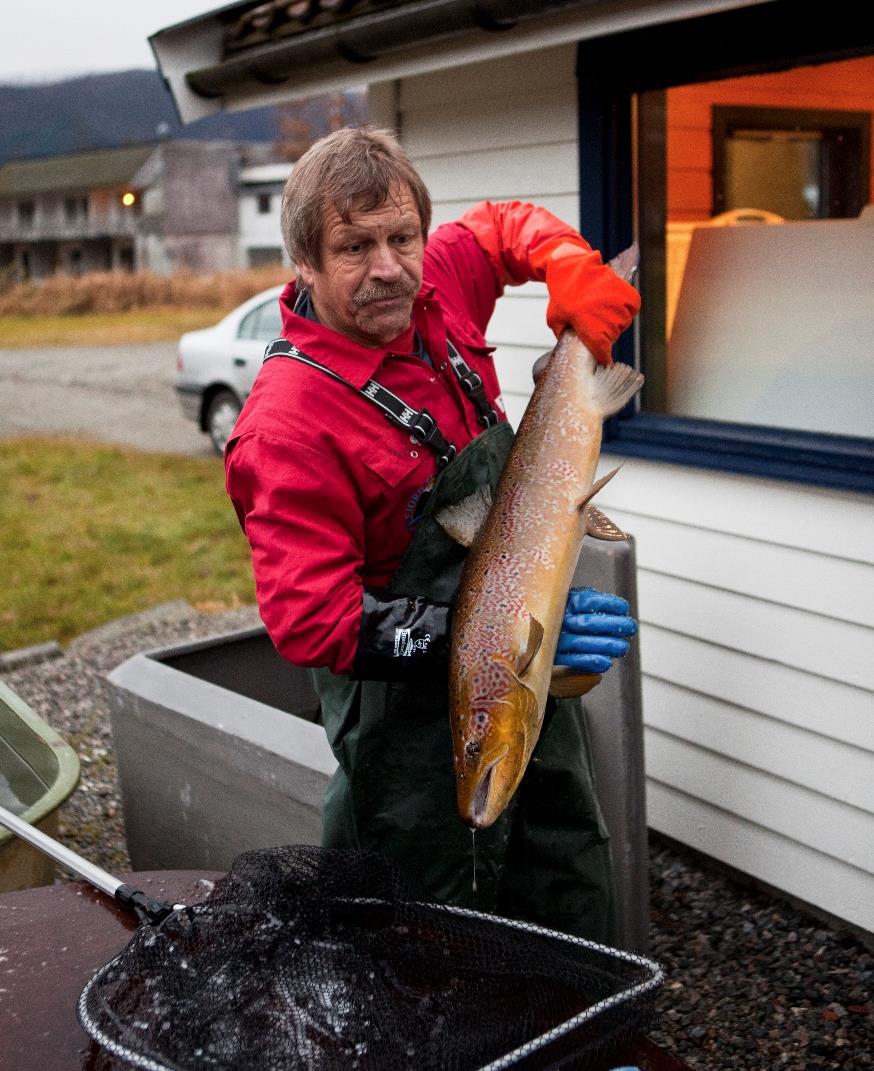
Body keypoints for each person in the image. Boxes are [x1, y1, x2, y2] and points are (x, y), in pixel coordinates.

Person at [225, 126, 640, 942]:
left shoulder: (438, 282)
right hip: (404, 725)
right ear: (304, 262)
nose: (388, 267)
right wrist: (490, 640)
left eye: (401, 238)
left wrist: (568, 266)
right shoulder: (283, 427)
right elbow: (315, 620)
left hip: (516, 661)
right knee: (431, 932)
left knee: (564, 859)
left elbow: (500, 225)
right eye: (354, 246)